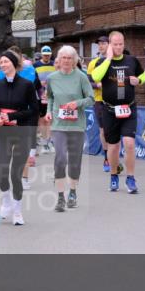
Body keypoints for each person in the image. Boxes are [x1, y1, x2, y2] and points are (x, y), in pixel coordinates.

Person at [90, 31, 145, 194]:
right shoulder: (102, 62)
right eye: (115, 44)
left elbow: (144, 75)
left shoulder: (131, 60)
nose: (118, 47)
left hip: (129, 108)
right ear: (110, 45)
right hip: (109, 110)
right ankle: (113, 176)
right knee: (113, 147)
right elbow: (96, 77)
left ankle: (131, 178)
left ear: (124, 44)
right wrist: (108, 59)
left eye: (121, 44)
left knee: (129, 143)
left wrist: (139, 80)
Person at [0, 50, 40, 225]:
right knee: (2, 174)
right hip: (3, 133)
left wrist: (14, 117)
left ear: (14, 63)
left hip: (21, 132)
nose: (3, 65)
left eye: (6, 61)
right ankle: (6, 200)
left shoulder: (27, 85)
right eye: (1, 62)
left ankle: (17, 211)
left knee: (16, 175)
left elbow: (34, 110)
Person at [44, 45, 94, 212]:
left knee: (74, 160)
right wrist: (49, 112)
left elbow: (91, 99)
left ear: (74, 61)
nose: (66, 61)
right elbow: (50, 98)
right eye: (63, 58)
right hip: (59, 124)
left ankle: (72, 192)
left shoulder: (81, 77)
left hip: (76, 125)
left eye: (69, 58)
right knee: (60, 159)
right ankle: (60, 197)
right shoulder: (52, 78)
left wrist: (77, 104)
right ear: (59, 60)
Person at [86, 36, 116, 174]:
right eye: (99, 44)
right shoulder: (93, 63)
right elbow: (88, 82)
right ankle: (107, 158)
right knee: (103, 130)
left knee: (114, 130)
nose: (101, 46)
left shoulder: (115, 61)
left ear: (109, 45)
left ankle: (114, 156)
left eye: (104, 43)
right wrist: (97, 85)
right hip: (99, 100)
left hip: (115, 100)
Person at [34, 45, 56, 155]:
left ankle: (49, 141)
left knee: (50, 119)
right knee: (42, 119)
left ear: (51, 54)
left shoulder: (54, 64)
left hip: (52, 95)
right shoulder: (35, 65)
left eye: (48, 55)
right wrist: (39, 83)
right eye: (45, 55)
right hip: (40, 95)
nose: (46, 57)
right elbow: (33, 80)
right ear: (41, 55)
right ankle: (44, 141)